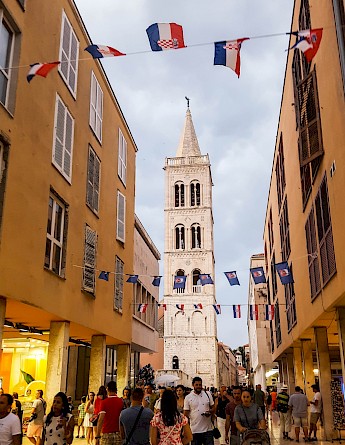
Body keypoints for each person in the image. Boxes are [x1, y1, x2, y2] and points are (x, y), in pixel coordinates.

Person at [183, 376, 215, 445]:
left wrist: (210, 412)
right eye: (196, 385)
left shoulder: (207, 394)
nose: (198, 386)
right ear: (193, 385)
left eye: (200, 385)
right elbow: (186, 414)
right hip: (195, 430)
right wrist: (185, 429)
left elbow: (213, 407)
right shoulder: (188, 398)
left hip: (208, 429)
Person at [95, 381, 123, 445]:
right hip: (118, 432)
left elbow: (101, 419)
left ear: (107, 389)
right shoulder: (120, 401)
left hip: (106, 432)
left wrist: (97, 435)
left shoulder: (104, 402)